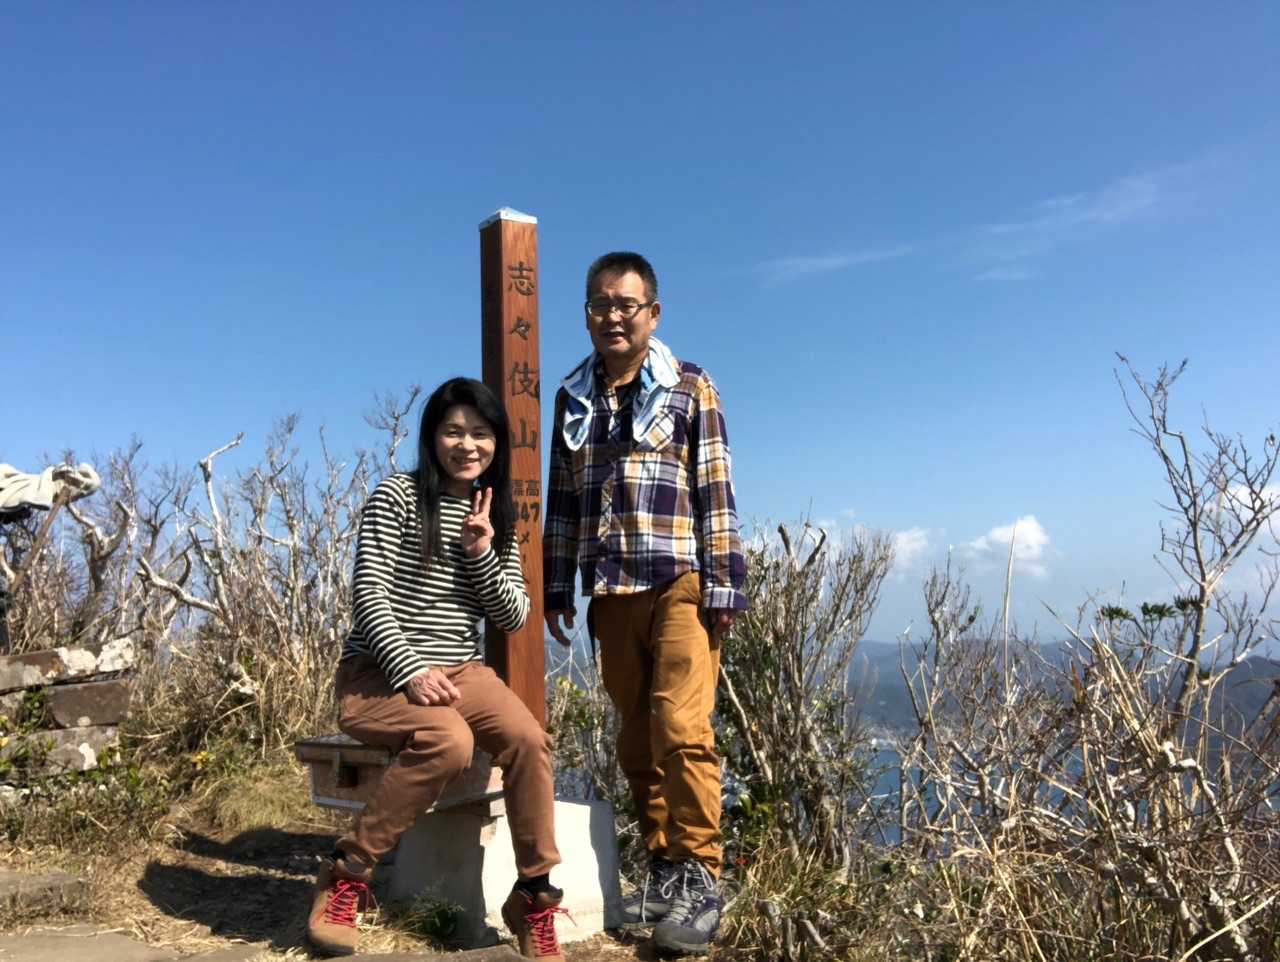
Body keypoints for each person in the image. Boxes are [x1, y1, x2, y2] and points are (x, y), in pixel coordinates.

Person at [308, 377, 568, 961]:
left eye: (480, 433)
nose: (467, 445)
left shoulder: (492, 512)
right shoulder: (398, 496)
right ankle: (347, 871)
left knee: (529, 740)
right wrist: (408, 670)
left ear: (497, 443)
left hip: (461, 671)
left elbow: (513, 614)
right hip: (379, 674)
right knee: (449, 740)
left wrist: (480, 552)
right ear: (432, 437)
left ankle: (533, 894)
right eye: (453, 431)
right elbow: (369, 593)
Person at [543, 252, 747, 955]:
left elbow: (715, 484)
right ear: (587, 314)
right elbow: (562, 499)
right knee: (635, 734)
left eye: (625, 305)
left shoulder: (690, 385)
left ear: (652, 313)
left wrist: (725, 581)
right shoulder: (572, 398)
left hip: (680, 580)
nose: (612, 316)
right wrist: (556, 582)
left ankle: (701, 877)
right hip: (610, 586)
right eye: (600, 304)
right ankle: (664, 868)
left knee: (682, 728)